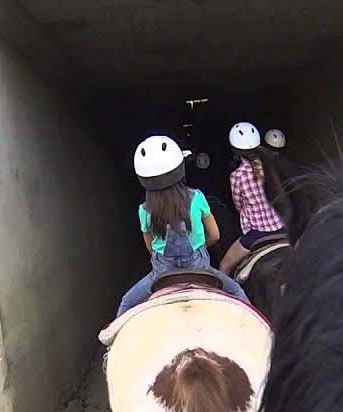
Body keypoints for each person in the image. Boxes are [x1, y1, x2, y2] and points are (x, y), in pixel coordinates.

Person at [114, 134, 250, 319]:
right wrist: (198, 245)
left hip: (162, 275)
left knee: (127, 302)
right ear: (179, 169)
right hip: (200, 269)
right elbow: (215, 235)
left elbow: (150, 247)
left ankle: (109, 347)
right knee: (237, 292)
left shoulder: (144, 210)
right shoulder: (197, 197)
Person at [219, 122, 287, 275]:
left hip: (256, 233)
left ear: (235, 151)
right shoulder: (273, 166)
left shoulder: (237, 176)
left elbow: (238, 206)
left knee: (224, 267)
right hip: (281, 227)